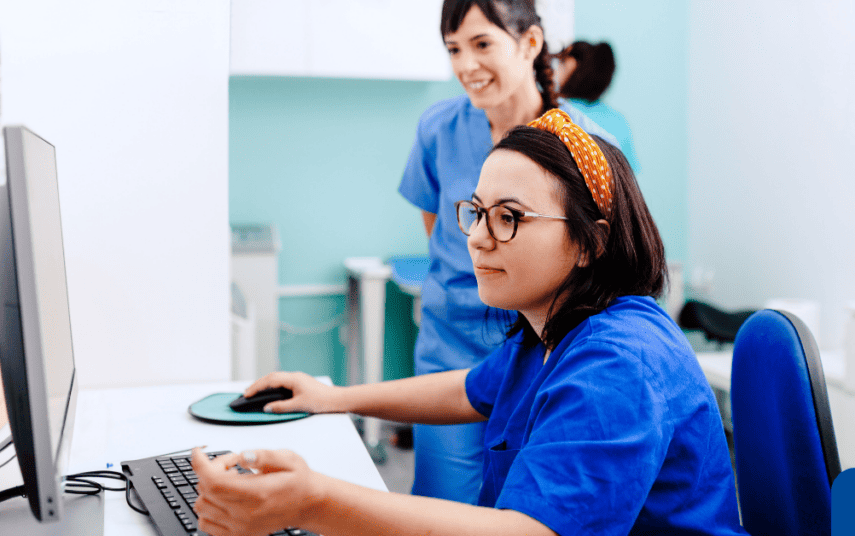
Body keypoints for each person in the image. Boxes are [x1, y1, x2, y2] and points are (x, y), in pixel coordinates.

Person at [191, 109, 747, 536]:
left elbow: (530, 533)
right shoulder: (553, 329)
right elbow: (468, 389)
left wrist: (311, 501)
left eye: (510, 218)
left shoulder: (617, 364)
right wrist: (334, 397)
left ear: (589, 243)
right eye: (477, 212)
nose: (477, 237)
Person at [397, 0, 615, 504]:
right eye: (453, 49)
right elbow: (447, 237)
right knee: (441, 510)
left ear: (531, 43)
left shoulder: (581, 144)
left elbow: (601, 261)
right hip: (450, 349)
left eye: (482, 44)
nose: (465, 66)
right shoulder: (439, 130)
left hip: (542, 353)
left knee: (525, 508)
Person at [555, 40, 639, 171]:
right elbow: (629, 179)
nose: (556, 69)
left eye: (562, 62)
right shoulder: (619, 122)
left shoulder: (557, 112)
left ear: (574, 66)